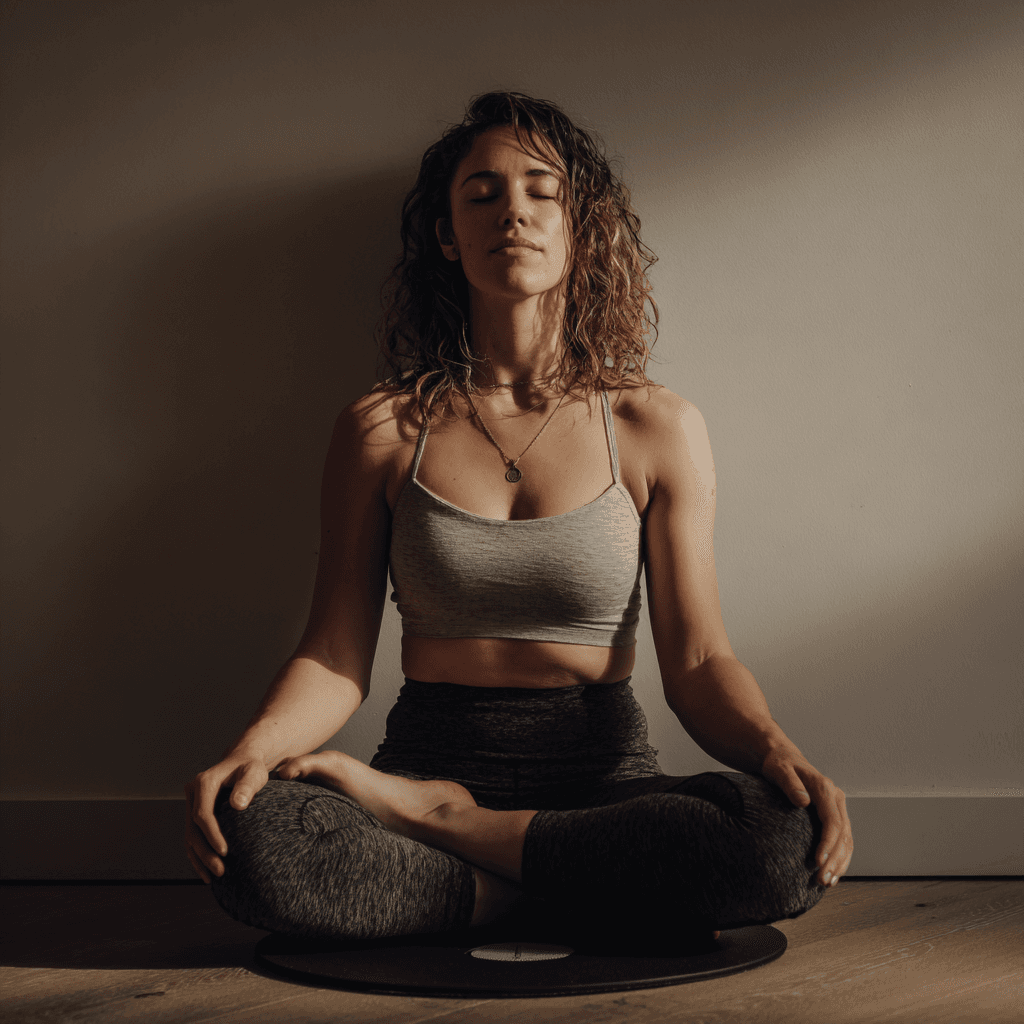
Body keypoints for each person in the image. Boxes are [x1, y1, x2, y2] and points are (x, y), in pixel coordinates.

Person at [184, 92, 853, 944]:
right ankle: (566, 887)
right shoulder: (382, 431)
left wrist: (775, 750)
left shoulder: (653, 426)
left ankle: (454, 840)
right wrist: (252, 748)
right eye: (483, 193)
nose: (515, 213)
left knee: (777, 839)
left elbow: (699, 658)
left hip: (604, 780)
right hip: (429, 755)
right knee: (257, 839)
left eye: (543, 190)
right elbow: (333, 651)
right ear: (445, 234)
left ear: (581, 227)